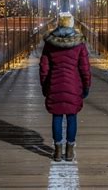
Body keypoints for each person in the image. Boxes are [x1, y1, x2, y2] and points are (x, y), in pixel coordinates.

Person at [39, 12, 91, 161]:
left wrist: (45, 85)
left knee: (56, 116)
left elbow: (44, 68)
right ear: (72, 24)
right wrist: (86, 86)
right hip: (74, 86)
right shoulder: (79, 44)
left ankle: (57, 151)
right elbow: (85, 69)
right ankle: (69, 151)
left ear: (58, 24)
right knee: (71, 116)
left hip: (54, 85)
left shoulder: (50, 44)